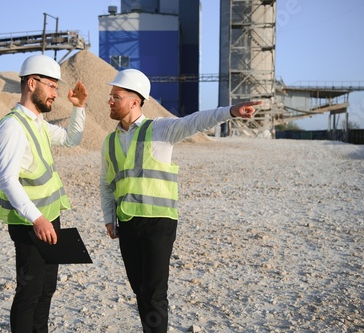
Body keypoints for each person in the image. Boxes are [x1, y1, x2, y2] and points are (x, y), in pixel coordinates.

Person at [99, 68, 261, 332]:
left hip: (158, 223)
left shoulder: (161, 129)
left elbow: (194, 121)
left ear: (134, 101)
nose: (109, 100)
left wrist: (230, 111)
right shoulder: (109, 141)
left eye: (115, 96)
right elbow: (106, 184)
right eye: (110, 95)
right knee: (139, 290)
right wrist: (109, 217)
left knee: (154, 293)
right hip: (127, 222)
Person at [0, 54, 88, 332]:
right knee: (29, 293)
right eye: (51, 86)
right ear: (32, 83)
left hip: (49, 218)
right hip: (30, 223)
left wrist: (79, 108)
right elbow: (7, 180)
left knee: (47, 288)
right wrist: (37, 219)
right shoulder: (12, 126)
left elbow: (72, 139)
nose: (55, 94)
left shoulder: (38, 124)